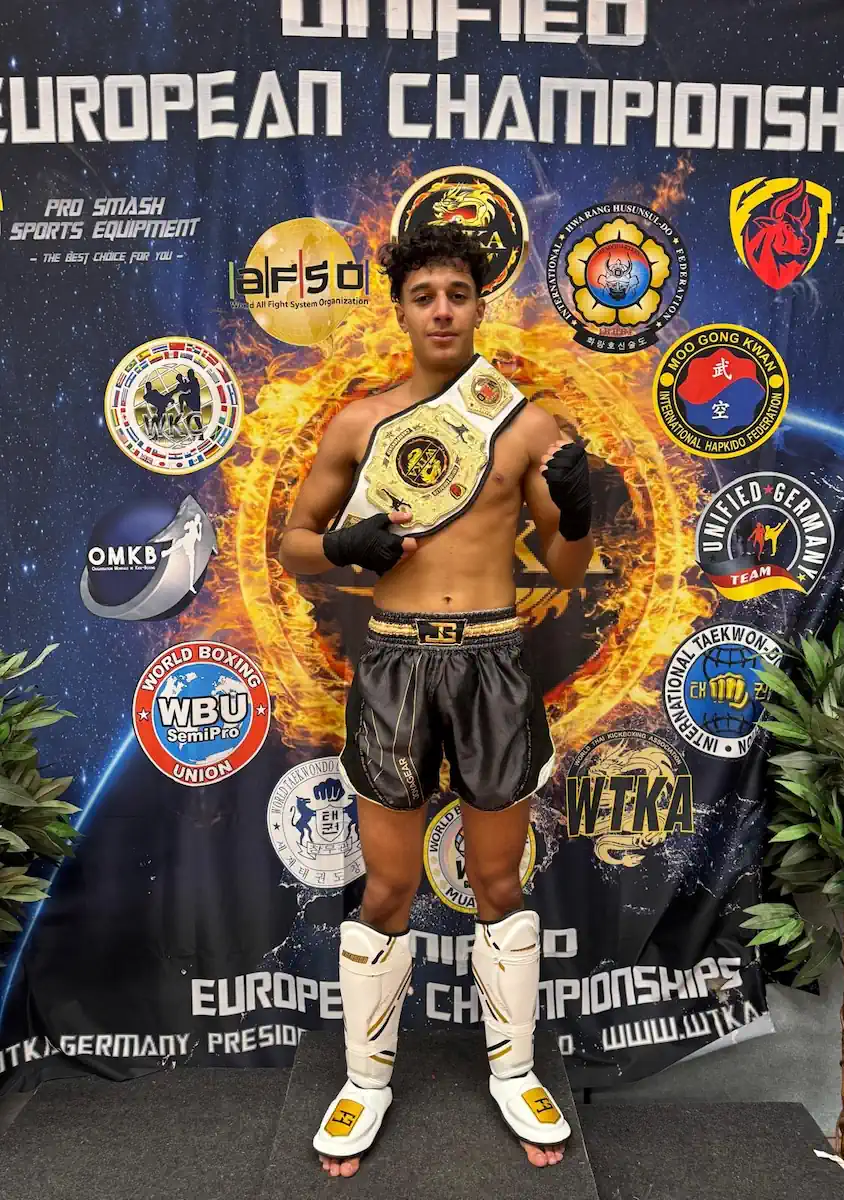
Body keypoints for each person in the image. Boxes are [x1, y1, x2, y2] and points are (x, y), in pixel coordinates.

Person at [278, 223, 594, 1179]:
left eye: (458, 293)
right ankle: (365, 1081)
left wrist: (579, 513)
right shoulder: (360, 422)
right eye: (425, 297)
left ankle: (515, 1072)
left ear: (481, 303)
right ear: (402, 311)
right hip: (395, 662)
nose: (443, 311)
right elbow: (293, 545)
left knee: (499, 884)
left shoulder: (527, 425)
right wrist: (344, 547)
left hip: (494, 657)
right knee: (387, 888)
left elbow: (565, 568)